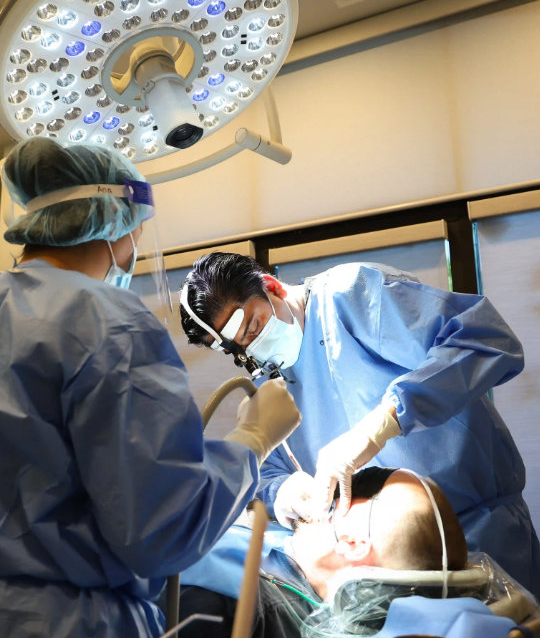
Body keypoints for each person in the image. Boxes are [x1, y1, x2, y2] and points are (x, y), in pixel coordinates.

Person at [0, 138, 301, 638]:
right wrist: (252, 442)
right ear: (112, 217)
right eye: (139, 224)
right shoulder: (108, 323)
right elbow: (163, 530)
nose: (138, 239)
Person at [179, 252, 540, 598]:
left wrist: (384, 421)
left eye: (254, 327)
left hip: (481, 529)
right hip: (382, 572)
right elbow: (264, 470)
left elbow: (485, 340)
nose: (255, 350)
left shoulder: (350, 296)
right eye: (239, 349)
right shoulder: (272, 378)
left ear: (271, 286)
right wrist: (283, 491)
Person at [176, 467, 526, 638]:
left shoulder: (225, 607)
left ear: (354, 542)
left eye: (344, 495)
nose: (325, 498)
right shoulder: (290, 558)